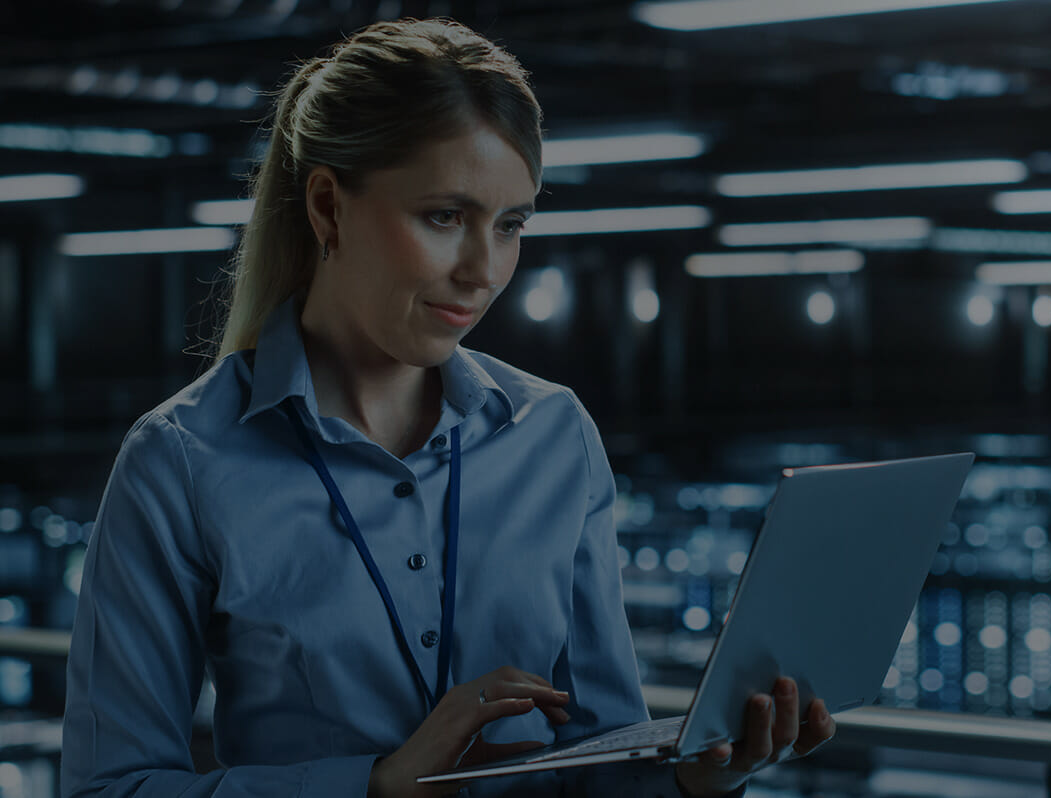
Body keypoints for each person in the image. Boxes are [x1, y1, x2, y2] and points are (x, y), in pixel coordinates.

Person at [61, 17, 834, 798]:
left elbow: (604, 758)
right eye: (444, 217)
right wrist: (374, 786)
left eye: (510, 225)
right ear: (328, 207)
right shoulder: (180, 461)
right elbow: (108, 789)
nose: (484, 270)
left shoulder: (555, 434)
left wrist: (699, 777)